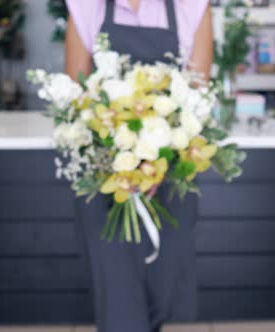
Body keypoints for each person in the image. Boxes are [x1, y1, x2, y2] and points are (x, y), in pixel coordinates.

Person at [64, 1, 213, 332]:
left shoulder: (193, 7)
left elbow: (196, 98)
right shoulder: (87, 7)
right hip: (106, 176)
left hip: (171, 173)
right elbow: (76, 99)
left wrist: (156, 159)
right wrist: (120, 156)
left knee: (161, 288)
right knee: (117, 293)